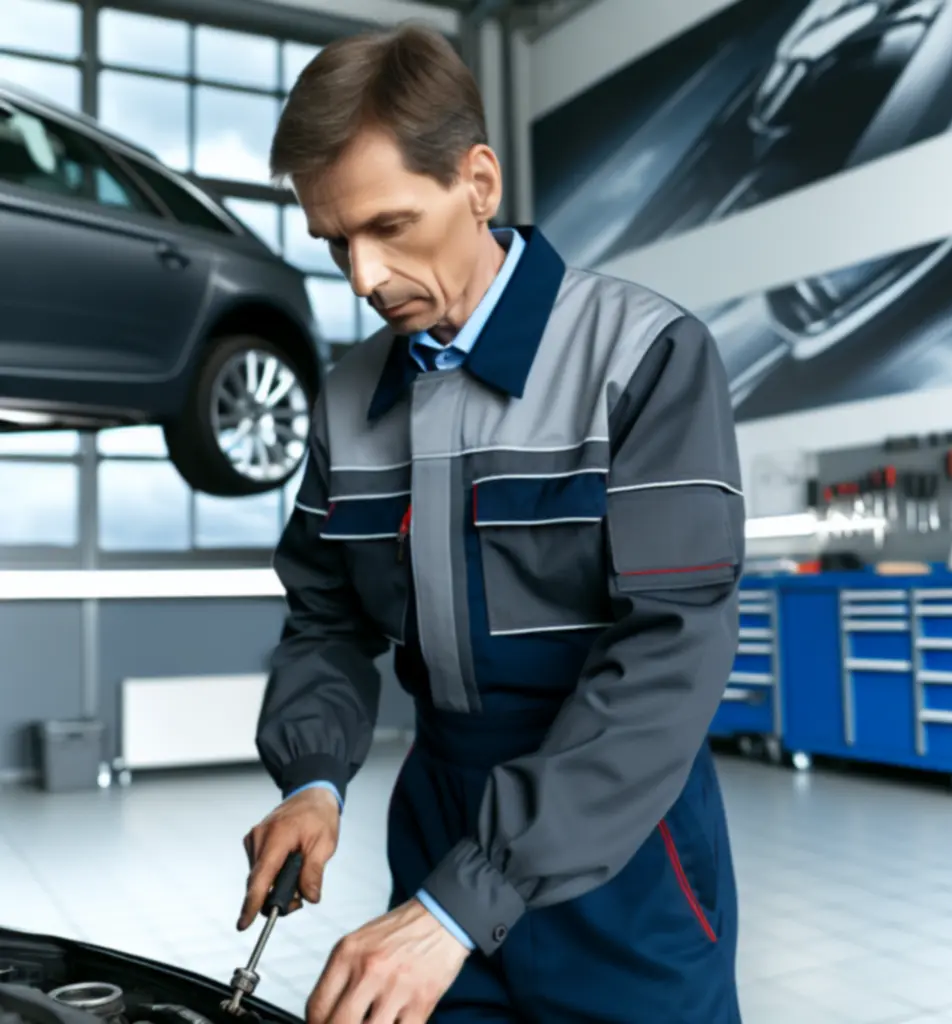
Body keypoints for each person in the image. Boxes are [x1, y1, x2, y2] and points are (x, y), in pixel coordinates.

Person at [238, 22, 746, 1024]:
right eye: (335, 241)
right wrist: (314, 780)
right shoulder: (348, 399)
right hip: (438, 818)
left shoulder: (644, 359)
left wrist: (459, 905)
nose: (362, 278)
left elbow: (669, 657)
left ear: (479, 181)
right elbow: (328, 615)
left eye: (390, 225)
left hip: (620, 848)